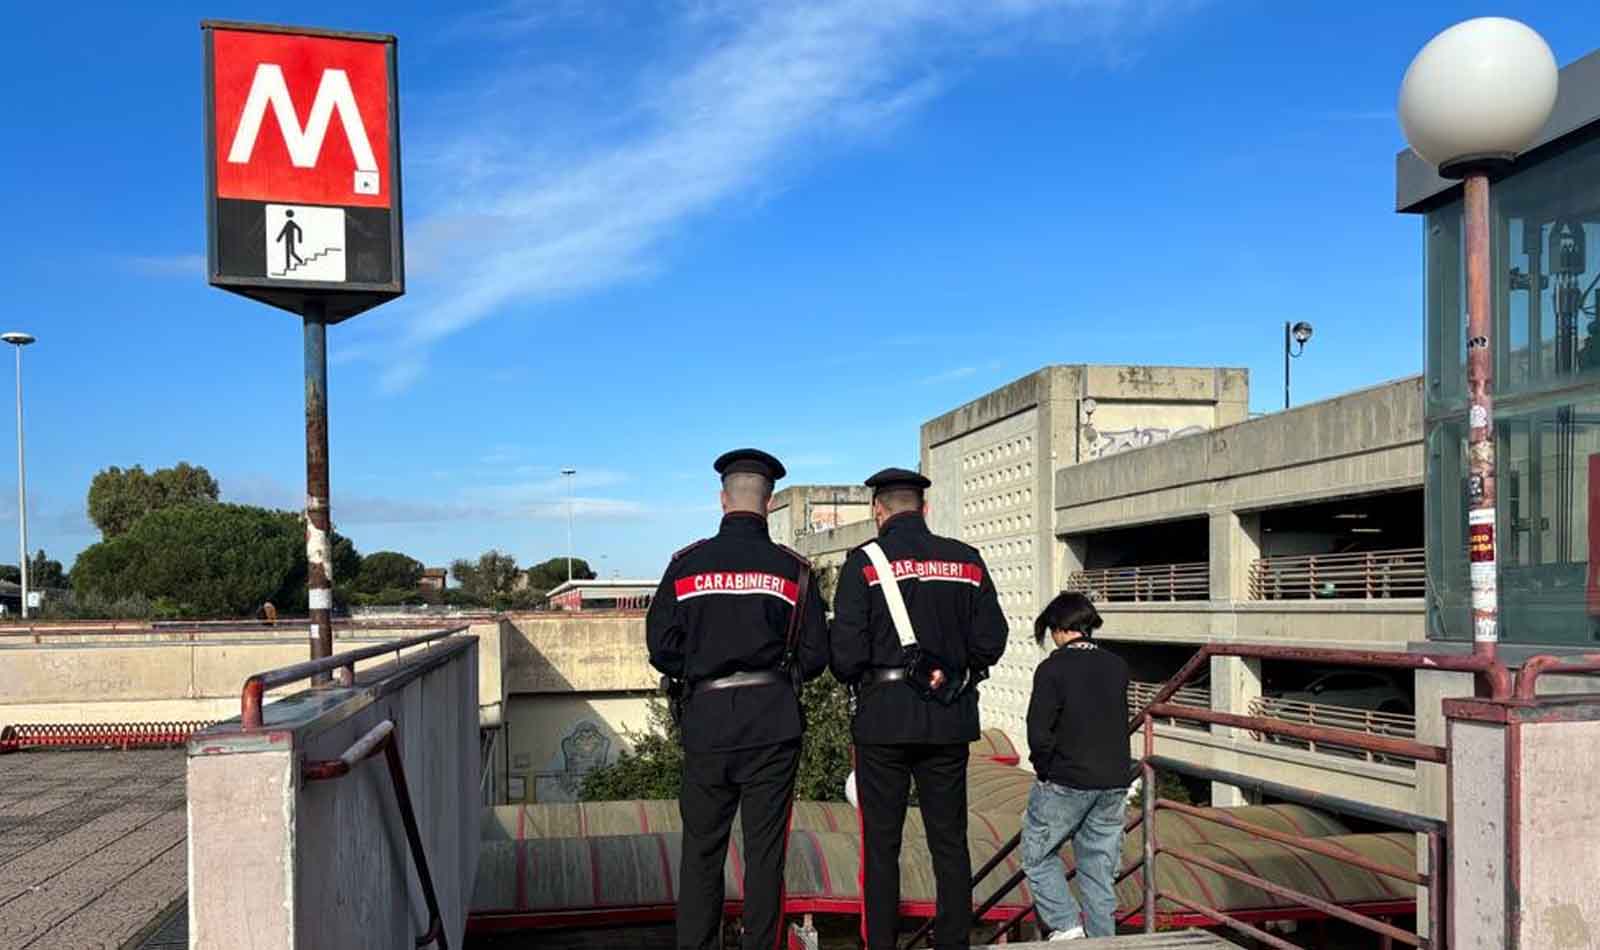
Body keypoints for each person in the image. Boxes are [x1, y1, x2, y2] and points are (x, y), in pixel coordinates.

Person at [646, 448, 829, 950]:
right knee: (765, 854)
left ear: (722, 499)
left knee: (702, 852)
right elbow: (815, 657)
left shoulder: (686, 566)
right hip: (773, 724)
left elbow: (661, 648)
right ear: (768, 502)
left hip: (706, 723)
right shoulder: (795, 571)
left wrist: (702, 668)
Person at [830, 468, 1008, 950]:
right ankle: (954, 941)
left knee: (881, 845)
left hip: (883, 720)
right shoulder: (967, 560)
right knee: (949, 841)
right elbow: (993, 641)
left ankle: (882, 943)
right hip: (949, 717)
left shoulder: (863, 562)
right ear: (924, 509)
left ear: (878, 511)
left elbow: (844, 657)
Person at [1019, 592, 1131, 941]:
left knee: (1037, 855)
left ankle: (1067, 927)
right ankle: (1102, 942)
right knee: (1098, 870)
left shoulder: (1053, 668)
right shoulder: (1117, 665)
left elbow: (1039, 731)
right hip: (1113, 781)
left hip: (1067, 779)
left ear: (1058, 628)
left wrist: (1045, 769)